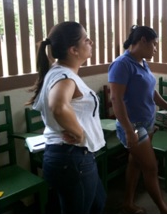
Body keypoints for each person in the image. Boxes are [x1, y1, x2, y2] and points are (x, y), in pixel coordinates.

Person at [26, 21, 106, 213]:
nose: (91, 42)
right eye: (86, 40)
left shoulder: (58, 71)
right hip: (72, 158)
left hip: (69, 158)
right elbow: (58, 107)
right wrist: (79, 133)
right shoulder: (64, 76)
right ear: (73, 50)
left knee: (98, 203)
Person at [108, 25, 167, 214]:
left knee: (135, 163)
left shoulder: (142, 62)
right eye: (154, 44)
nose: (156, 49)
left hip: (147, 122)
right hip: (133, 126)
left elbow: (151, 91)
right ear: (143, 40)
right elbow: (115, 99)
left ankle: (128, 203)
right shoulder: (122, 64)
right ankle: (164, 209)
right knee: (151, 168)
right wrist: (128, 130)